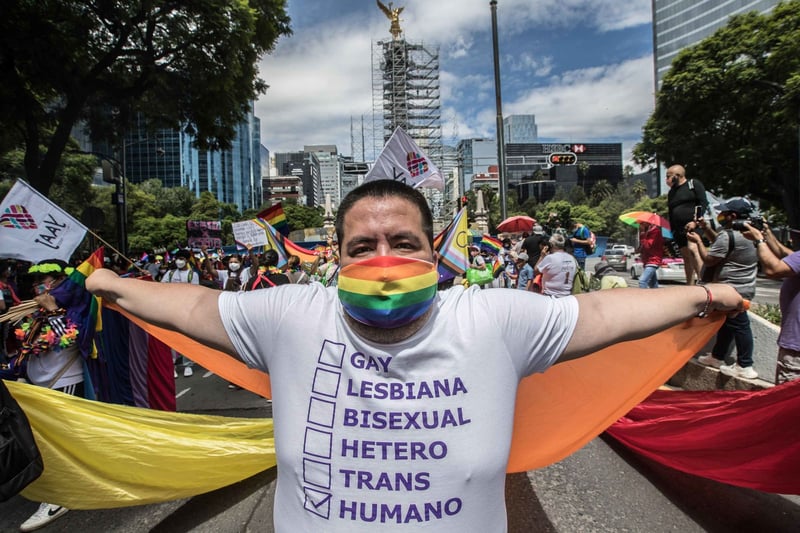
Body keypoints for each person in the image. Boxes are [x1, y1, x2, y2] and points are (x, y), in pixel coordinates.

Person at [85, 179, 744, 532]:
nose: (382, 260)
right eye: (361, 246)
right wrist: (112, 285)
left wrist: (704, 292)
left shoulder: (491, 318)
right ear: (335, 258)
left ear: (434, 252)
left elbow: (599, 312)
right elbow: (198, 308)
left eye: (401, 240)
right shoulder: (290, 313)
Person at [17, 260, 83, 531]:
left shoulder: (73, 306)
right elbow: (28, 345)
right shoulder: (33, 312)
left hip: (64, 381)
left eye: (41, 281)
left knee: (59, 441)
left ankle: (59, 495)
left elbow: (72, 337)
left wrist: (54, 310)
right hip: (39, 383)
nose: (35, 286)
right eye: (34, 282)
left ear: (57, 283)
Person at [688, 197, 758, 380]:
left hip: (731, 289)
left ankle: (745, 365)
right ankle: (717, 356)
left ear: (732, 216)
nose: (721, 215)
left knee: (740, 325)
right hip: (745, 286)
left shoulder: (729, 236)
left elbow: (710, 259)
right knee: (728, 324)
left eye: (724, 213)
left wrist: (698, 242)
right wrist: (705, 228)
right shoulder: (752, 234)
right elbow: (722, 245)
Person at [741, 222, 800, 384]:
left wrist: (759, 240)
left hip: (796, 349)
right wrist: (768, 235)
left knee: (787, 403)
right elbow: (787, 255)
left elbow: (773, 269)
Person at [666, 164, 708, 285]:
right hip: (678, 229)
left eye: (668, 176)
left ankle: (702, 281)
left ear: (677, 175)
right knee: (686, 257)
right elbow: (671, 211)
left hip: (693, 225)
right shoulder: (672, 192)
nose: (667, 179)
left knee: (693, 249)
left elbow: (703, 203)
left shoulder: (693, 184)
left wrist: (695, 221)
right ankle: (690, 284)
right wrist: (672, 230)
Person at [161, 249, 199, 377]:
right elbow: (160, 288)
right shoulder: (170, 274)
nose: (179, 261)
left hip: (186, 311)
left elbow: (194, 293)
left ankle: (188, 364)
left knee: (186, 339)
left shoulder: (192, 275)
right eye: (178, 258)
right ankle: (172, 365)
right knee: (171, 339)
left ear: (187, 260)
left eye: (182, 259)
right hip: (170, 310)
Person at [637, 221, 664, 289]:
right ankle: (657, 298)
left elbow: (648, 246)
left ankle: (644, 299)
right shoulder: (646, 233)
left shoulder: (655, 232)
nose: (640, 226)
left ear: (648, 223)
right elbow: (643, 247)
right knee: (653, 284)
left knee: (642, 281)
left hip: (653, 260)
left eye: (642, 223)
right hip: (647, 261)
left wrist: (642, 234)